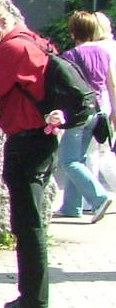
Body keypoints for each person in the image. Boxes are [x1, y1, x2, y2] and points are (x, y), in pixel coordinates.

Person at [0, 0, 63, 308]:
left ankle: (33, 303)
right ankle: (30, 298)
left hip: (27, 142)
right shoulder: (35, 42)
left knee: (27, 223)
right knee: (28, 222)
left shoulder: (13, 49)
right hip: (39, 140)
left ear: (3, 22)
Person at [56, 11, 114, 221]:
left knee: (68, 161)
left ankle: (98, 197)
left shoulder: (70, 56)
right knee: (78, 158)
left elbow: (66, 87)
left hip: (78, 113)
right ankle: (71, 207)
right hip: (99, 111)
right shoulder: (103, 53)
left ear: (73, 32)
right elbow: (111, 84)